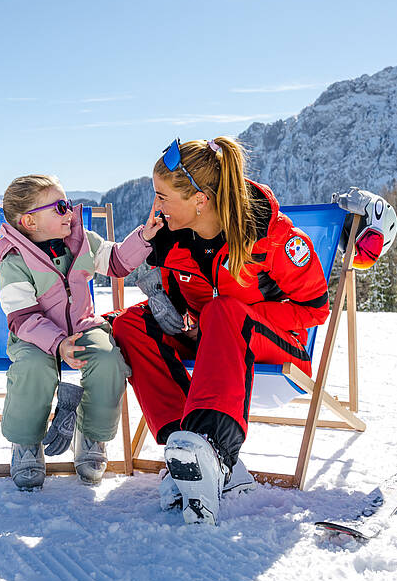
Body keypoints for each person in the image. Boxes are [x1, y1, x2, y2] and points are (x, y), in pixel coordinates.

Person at [112, 137, 330, 525]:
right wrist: (169, 309)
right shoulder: (169, 237)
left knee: (222, 310)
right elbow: (175, 298)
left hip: (275, 348)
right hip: (210, 341)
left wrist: (230, 317)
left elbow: (315, 309)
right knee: (131, 324)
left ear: (200, 200)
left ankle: (214, 449)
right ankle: (186, 454)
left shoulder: (270, 236)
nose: (155, 207)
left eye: (162, 197)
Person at [0, 174, 160, 491]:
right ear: (30, 221)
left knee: (108, 360)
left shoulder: (82, 241)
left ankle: (91, 436)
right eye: (60, 207)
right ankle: (26, 442)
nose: (70, 213)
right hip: (35, 336)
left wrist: (144, 237)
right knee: (32, 368)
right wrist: (58, 343)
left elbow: (116, 262)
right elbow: (23, 317)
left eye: (68, 204)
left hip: (83, 326)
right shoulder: (14, 261)